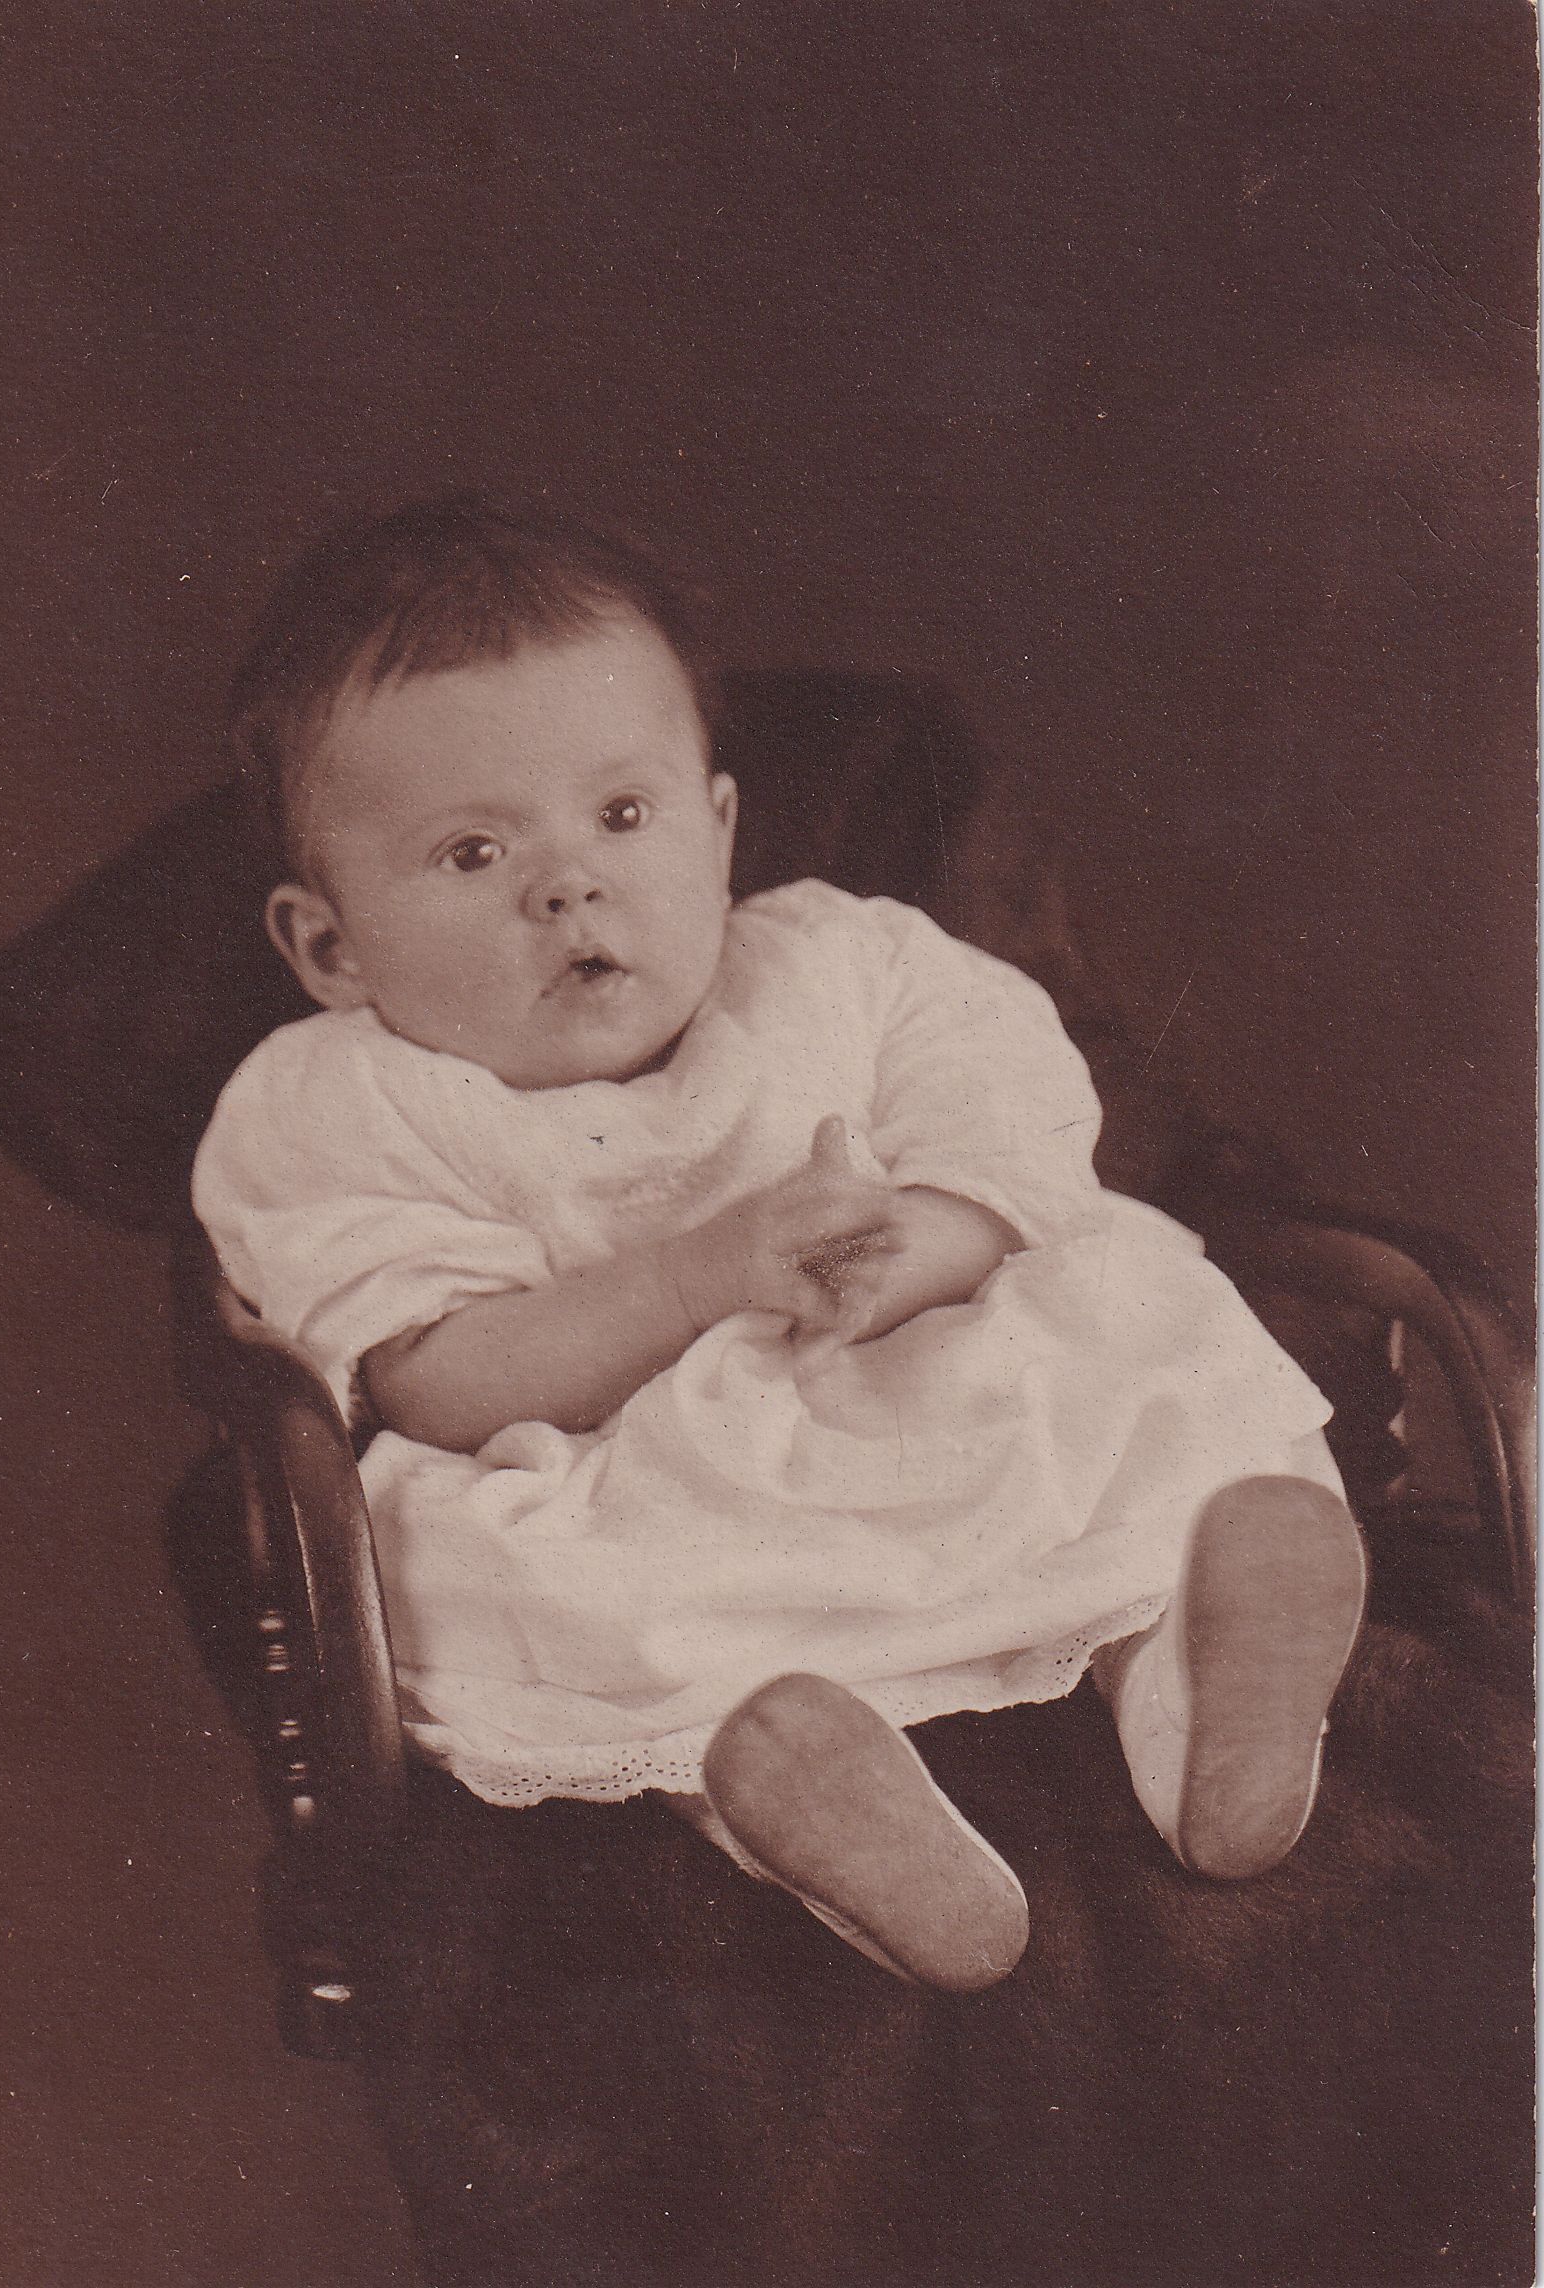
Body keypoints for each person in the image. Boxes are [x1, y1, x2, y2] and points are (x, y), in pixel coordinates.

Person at [192, 497, 1368, 1993]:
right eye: (474, 852)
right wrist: (696, 1278)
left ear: (721, 829)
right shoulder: (334, 1104)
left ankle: (1192, 1683)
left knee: (1116, 1312)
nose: (569, 886)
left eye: (623, 817)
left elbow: (1010, 1123)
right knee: (468, 1561)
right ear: (331, 946)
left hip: (904, 1366)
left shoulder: (840, 962)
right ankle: (787, 1781)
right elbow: (431, 1379)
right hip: (620, 1464)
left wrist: (933, 1239)